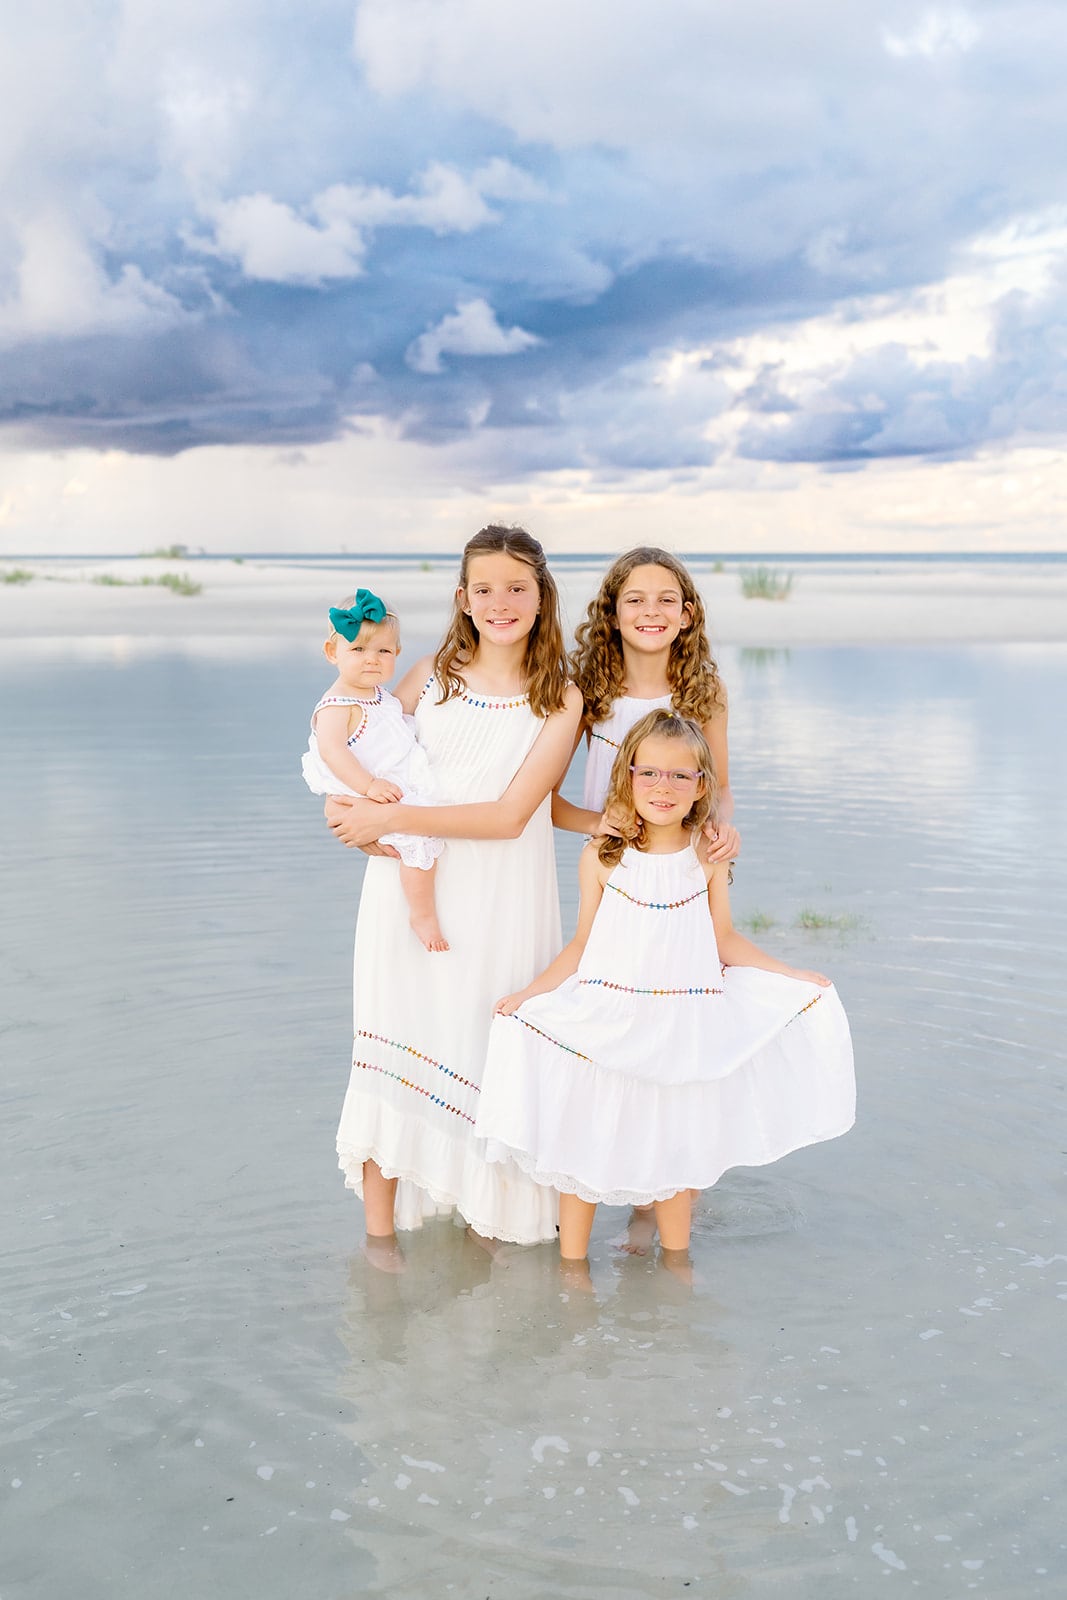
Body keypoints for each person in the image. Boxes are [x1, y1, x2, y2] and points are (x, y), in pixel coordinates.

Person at [476, 710, 855, 1262]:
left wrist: (791, 974)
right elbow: (581, 946)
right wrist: (529, 996)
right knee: (585, 1140)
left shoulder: (706, 856)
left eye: (681, 776)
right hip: (608, 1019)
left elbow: (723, 939)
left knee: (679, 1151)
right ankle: (573, 1275)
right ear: (627, 776)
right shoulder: (603, 855)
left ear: (702, 786)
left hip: (682, 1026)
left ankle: (677, 1271)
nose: (663, 786)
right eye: (649, 772)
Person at [325, 527, 583, 1262]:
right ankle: (380, 1255)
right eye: (483, 588)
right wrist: (346, 811)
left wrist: (389, 815)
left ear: (540, 596)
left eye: (516, 587)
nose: (498, 602)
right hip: (406, 894)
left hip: (501, 896)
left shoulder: (559, 696)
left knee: (483, 1052)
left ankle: (485, 1232)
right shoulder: (430, 674)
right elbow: (360, 750)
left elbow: (509, 817)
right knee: (390, 1042)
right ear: (461, 598)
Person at [553, 547, 740, 862]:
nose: (651, 611)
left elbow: (719, 787)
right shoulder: (586, 692)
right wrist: (595, 822)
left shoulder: (706, 692)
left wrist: (720, 824)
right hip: (608, 867)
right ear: (612, 615)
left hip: (684, 864)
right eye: (635, 600)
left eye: (666, 600)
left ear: (686, 616)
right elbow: (545, 799)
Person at [302, 589, 447, 952]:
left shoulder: (380, 696)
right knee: (417, 844)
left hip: (387, 780)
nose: (372, 660)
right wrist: (368, 786)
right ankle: (422, 914)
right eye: (358, 650)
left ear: (397, 653)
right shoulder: (337, 705)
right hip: (366, 786)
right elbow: (332, 751)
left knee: (424, 829)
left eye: (383, 651)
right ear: (332, 653)